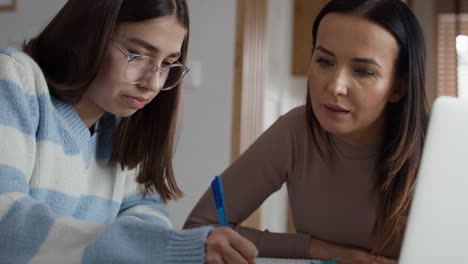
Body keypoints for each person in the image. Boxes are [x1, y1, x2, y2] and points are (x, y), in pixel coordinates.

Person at [0, 0, 257, 263]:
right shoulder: (14, 80)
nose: (153, 83)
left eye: (168, 63)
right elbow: (6, 224)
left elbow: (147, 218)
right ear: (86, 34)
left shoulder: (125, 126)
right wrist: (170, 249)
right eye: (137, 55)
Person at [184, 0, 429, 263]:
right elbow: (199, 230)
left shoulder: (437, 149)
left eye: (363, 71)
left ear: (398, 87)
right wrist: (321, 250)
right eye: (324, 61)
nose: (335, 86)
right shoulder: (295, 131)